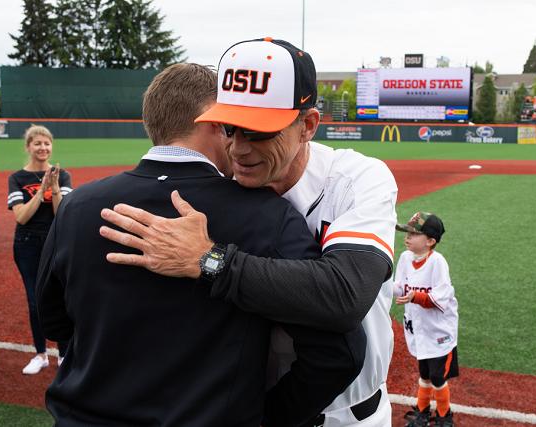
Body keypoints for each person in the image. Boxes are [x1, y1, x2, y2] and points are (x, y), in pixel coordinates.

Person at [36, 63, 364, 426]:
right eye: (232, 122)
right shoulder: (268, 215)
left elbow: (53, 320)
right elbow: (338, 353)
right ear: (213, 121)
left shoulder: (78, 206)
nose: (238, 137)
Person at [99, 38, 398, 426]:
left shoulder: (355, 179)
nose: (238, 148)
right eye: (230, 127)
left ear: (307, 126)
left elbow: (344, 296)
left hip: (349, 415)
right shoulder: (219, 186)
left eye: (258, 132)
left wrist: (209, 261)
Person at [7, 125, 72, 375]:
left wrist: (54, 188)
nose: (43, 148)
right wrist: (42, 189)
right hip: (27, 243)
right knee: (35, 300)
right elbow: (21, 217)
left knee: (62, 296)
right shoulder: (17, 178)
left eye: (47, 143)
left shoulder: (62, 175)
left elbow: (62, 214)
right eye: (37, 143)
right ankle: (40, 354)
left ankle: (64, 354)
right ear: (28, 147)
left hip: (56, 241)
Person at [394, 212, 458, 427]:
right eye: (408, 232)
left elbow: (442, 296)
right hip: (418, 328)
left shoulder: (437, 262)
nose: (408, 237)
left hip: (439, 330)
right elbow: (399, 286)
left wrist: (416, 296)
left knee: (438, 376)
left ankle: (444, 414)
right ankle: (422, 411)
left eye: (414, 233)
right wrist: (380, 282)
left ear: (430, 241)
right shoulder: (405, 258)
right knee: (424, 372)